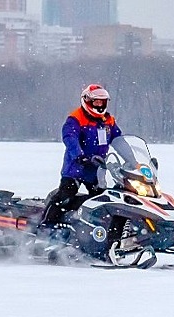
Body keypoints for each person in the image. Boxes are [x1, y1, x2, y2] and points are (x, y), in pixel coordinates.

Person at [39, 84, 122, 231]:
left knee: (103, 202)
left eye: (102, 102)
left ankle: (99, 234)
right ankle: (45, 227)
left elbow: (119, 140)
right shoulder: (76, 118)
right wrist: (79, 155)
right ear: (87, 101)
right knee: (64, 197)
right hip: (76, 168)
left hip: (97, 170)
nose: (100, 105)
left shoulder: (108, 121)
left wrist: (132, 161)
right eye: (96, 102)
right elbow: (70, 137)